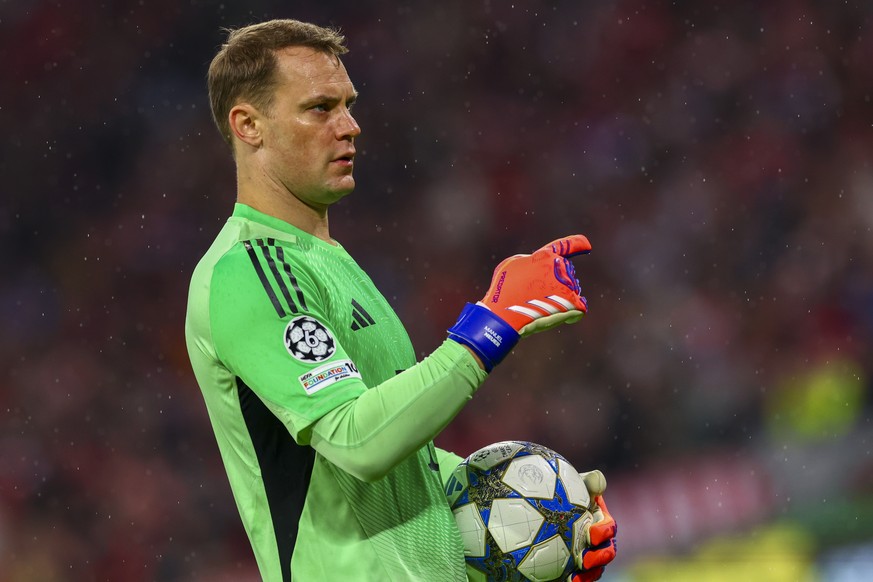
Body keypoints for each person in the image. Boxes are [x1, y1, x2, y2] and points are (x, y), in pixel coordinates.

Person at [185, 18, 617, 581]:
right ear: (249, 125)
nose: (350, 126)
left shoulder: (327, 261)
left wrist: (540, 511)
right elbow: (357, 441)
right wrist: (492, 324)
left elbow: (399, 464)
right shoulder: (249, 270)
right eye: (320, 108)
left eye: (349, 104)